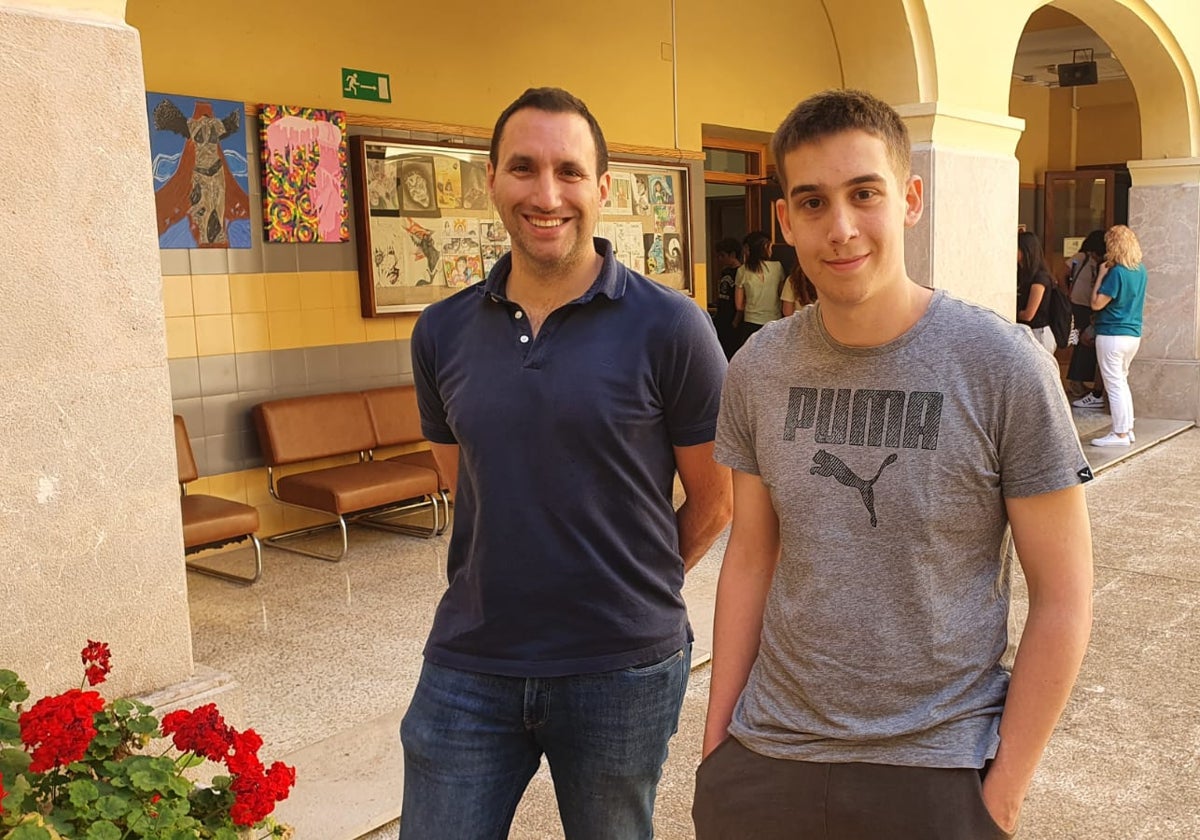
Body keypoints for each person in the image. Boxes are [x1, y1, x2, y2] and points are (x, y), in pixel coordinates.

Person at [693, 89, 1094, 839]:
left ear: (909, 199)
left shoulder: (1002, 367)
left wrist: (1001, 794)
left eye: (864, 194)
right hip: (769, 757)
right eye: (812, 202)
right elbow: (750, 555)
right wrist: (718, 747)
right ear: (785, 221)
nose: (840, 228)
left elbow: (1065, 596)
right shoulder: (759, 365)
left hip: (939, 769)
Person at [402, 86, 732, 840]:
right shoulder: (442, 332)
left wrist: (638, 581)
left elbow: (718, 497)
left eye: (569, 172)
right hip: (471, 660)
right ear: (491, 180)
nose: (546, 194)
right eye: (523, 168)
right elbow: (466, 479)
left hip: (622, 668)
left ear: (602, 188)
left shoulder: (672, 327)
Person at [1088, 224, 1148, 447]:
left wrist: (1101, 275)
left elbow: (1096, 303)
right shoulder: (1140, 270)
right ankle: (1127, 429)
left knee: (1113, 384)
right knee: (1121, 381)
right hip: (1132, 334)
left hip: (1112, 334)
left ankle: (1120, 433)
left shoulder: (1116, 273)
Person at [1066, 230, 1107, 406]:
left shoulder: (1099, 262)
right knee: (1082, 342)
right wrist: (1066, 293)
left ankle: (1080, 382)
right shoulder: (1081, 257)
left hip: (1089, 305)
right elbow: (1065, 271)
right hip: (1080, 305)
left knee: (1086, 343)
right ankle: (1076, 382)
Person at [734, 230, 785, 346]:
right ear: (765, 248)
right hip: (774, 322)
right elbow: (782, 296)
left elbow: (739, 305)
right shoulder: (777, 267)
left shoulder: (742, 270)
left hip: (751, 323)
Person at [1016, 230, 1057, 353]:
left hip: (1039, 334)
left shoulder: (1040, 278)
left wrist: (1010, 312)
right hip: (1026, 332)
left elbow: (1029, 314)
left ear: (1025, 251)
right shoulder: (1023, 275)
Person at [712, 237, 742, 359]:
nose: (719, 259)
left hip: (732, 319)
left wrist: (735, 322)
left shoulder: (741, 272)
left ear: (733, 254)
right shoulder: (725, 272)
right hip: (721, 316)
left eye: (722, 256)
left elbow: (740, 301)